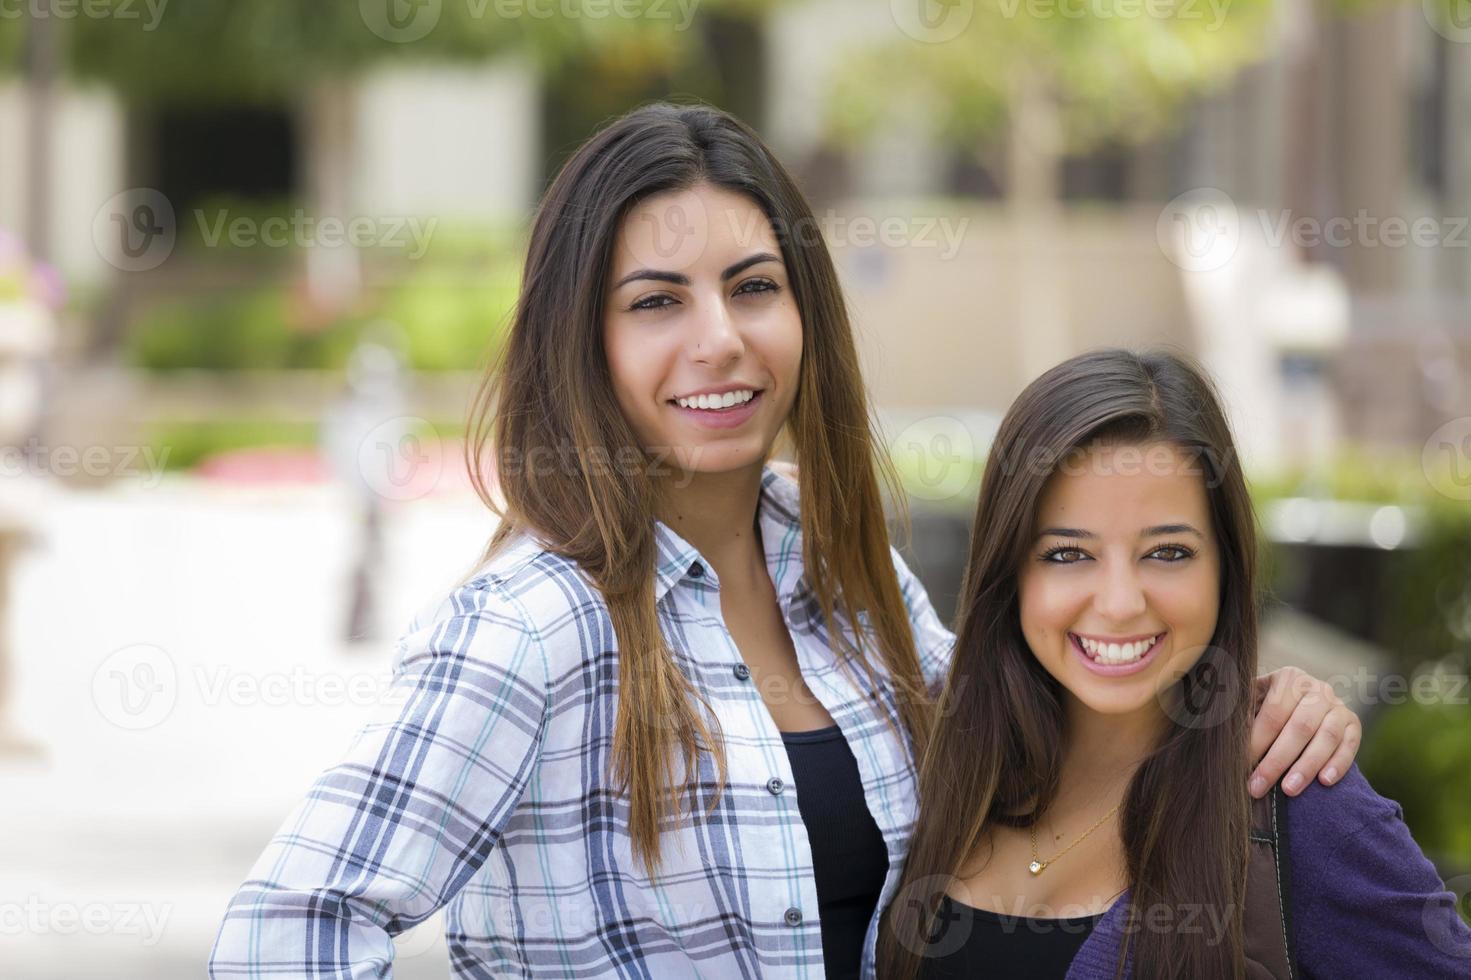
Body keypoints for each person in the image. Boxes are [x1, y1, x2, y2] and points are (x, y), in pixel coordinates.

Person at [207, 104, 1361, 980]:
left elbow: (1055, 723)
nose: (719, 340)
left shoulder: (848, 581)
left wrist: (1259, 702)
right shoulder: (533, 629)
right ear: (582, 337)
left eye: (752, 287)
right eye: (656, 301)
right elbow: (291, 924)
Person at [879, 348, 1471, 979]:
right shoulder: (926, 758)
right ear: (1011, 573)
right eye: (1067, 554)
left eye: (1167, 552)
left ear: (1224, 567)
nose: (1119, 603)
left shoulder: (1294, 797)